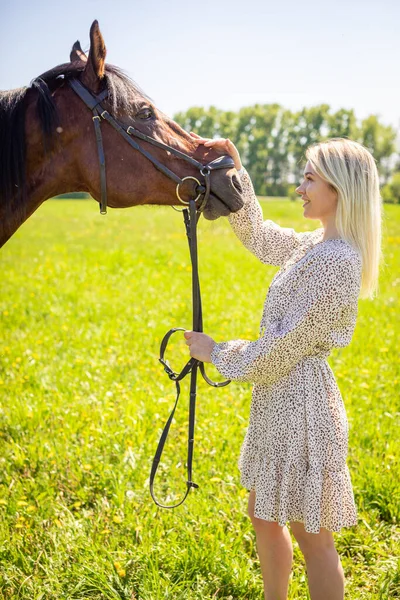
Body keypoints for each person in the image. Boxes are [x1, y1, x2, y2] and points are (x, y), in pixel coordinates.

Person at [184, 133, 382, 600]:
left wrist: (216, 351)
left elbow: (279, 352)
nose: (300, 188)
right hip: (279, 403)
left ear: (339, 189)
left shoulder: (338, 261)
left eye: (310, 179)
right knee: (264, 515)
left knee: (311, 533)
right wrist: (236, 173)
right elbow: (260, 236)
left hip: (303, 409)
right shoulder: (317, 244)